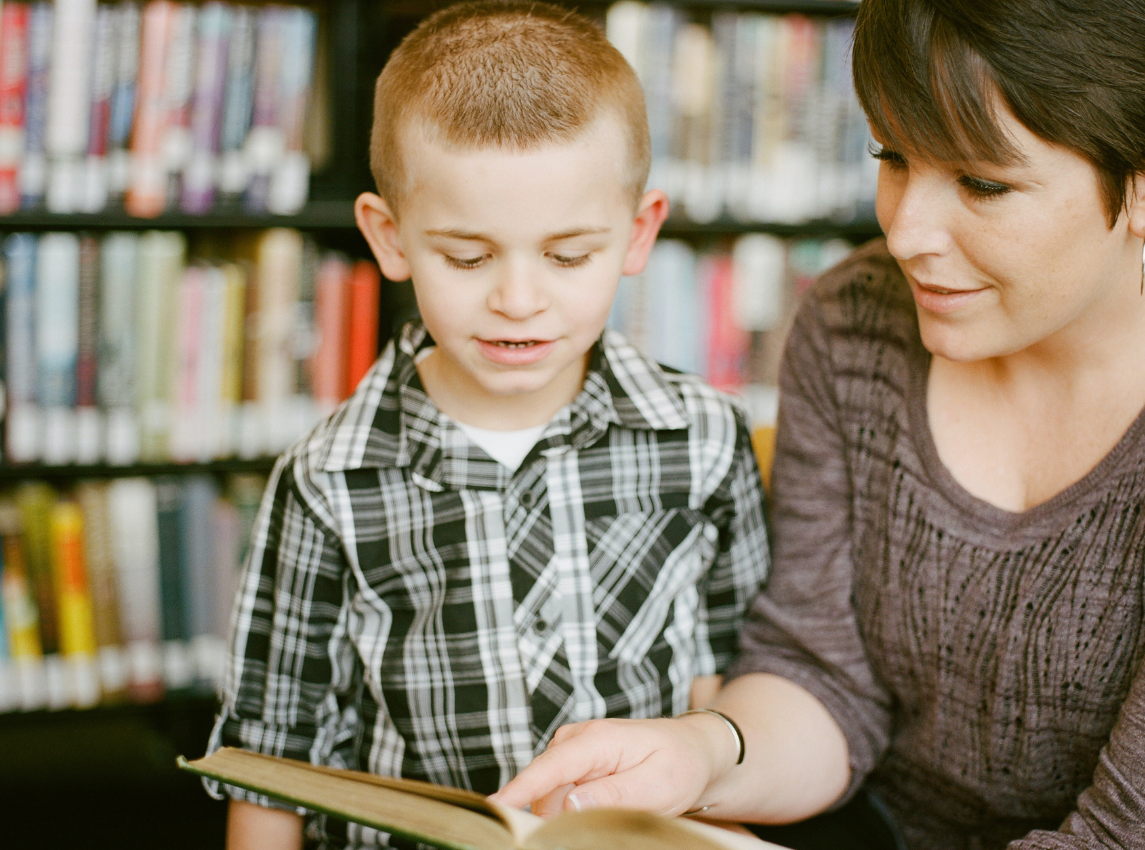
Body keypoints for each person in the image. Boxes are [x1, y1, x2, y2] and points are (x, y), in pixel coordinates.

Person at [494, 0, 1145, 848]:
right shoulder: (854, 321)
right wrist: (702, 755)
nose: (904, 233)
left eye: (981, 183)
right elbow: (824, 679)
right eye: (892, 157)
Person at [206, 4, 771, 848]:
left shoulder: (703, 439)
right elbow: (270, 754)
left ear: (638, 232)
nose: (518, 299)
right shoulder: (328, 480)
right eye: (467, 257)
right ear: (389, 238)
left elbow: (734, 676)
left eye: (568, 254)